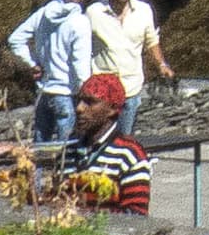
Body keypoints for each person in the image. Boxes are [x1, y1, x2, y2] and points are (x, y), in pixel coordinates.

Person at [5, 0, 98, 148]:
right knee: (68, 151)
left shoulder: (43, 14)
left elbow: (15, 39)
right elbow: (80, 65)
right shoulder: (79, 22)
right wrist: (87, 97)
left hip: (44, 92)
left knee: (40, 151)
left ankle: (37, 178)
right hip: (66, 94)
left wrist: (31, 63)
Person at [59, 73, 152, 212]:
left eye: (90, 102)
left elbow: (136, 216)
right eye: (79, 101)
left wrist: (88, 222)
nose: (79, 108)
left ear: (112, 109)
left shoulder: (130, 155)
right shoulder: (68, 152)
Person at [85, 0, 174, 98]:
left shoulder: (143, 10)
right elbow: (83, 47)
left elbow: (151, 41)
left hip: (132, 87)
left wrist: (161, 64)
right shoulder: (94, 12)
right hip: (103, 89)